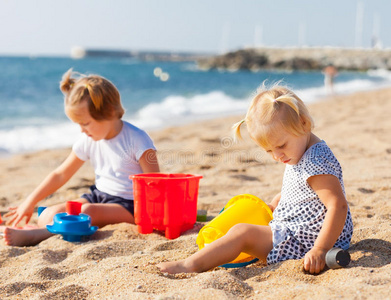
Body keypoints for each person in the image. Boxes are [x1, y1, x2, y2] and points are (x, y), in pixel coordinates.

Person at [158, 83, 353, 275]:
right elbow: (306, 190)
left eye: (281, 146)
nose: (277, 155)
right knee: (250, 214)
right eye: (269, 150)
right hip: (303, 227)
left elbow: (338, 205)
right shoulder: (301, 146)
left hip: (306, 240)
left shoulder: (316, 164)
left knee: (243, 233)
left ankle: (189, 265)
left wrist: (319, 249)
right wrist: (278, 202)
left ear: (304, 123)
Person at [1, 69, 160, 246]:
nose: (82, 130)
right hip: (98, 196)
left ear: (108, 112)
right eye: (78, 124)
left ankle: (35, 236)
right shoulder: (88, 139)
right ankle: (47, 228)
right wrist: (29, 202)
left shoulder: (138, 140)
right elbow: (60, 174)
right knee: (48, 215)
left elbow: (155, 183)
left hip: (132, 205)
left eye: (85, 123)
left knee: (87, 211)